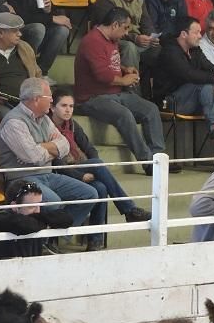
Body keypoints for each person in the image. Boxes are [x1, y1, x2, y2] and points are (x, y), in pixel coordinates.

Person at [0, 77, 102, 242]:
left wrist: (40, 146)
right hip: (21, 178)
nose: (52, 100)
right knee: (53, 202)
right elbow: (33, 157)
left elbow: (65, 145)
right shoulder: (14, 122)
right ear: (36, 99)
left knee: (90, 194)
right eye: (49, 97)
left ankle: (54, 236)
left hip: (47, 174)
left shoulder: (44, 118)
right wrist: (52, 148)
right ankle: (42, 241)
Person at [73, 7, 171, 173]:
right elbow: (101, 75)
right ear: (114, 25)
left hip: (115, 93)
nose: (126, 33)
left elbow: (109, 64)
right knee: (124, 115)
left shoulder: (111, 40)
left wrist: (125, 69)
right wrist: (124, 79)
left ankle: (159, 158)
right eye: (125, 28)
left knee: (151, 109)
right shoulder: (92, 41)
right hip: (92, 98)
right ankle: (148, 163)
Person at [49, 88, 151, 223]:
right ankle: (129, 210)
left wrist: (93, 166)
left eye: (71, 106)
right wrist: (81, 175)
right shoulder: (48, 127)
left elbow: (89, 148)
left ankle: (95, 240)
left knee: (101, 187)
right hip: (61, 171)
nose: (68, 110)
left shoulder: (72, 124)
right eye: (63, 105)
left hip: (79, 165)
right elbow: (57, 163)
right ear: (52, 108)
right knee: (98, 171)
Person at [152, 16, 214, 139]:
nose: (200, 36)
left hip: (191, 99)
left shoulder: (194, 49)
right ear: (184, 34)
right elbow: (188, 74)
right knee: (206, 85)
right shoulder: (170, 52)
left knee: (211, 84)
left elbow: (209, 66)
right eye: (196, 32)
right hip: (169, 102)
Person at [90, 0, 159, 69]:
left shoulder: (139, 0)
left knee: (160, 49)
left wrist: (152, 37)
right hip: (114, 40)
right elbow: (111, 30)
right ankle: (131, 84)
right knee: (129, 48)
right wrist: (135, 38)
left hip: (136, 40)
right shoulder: (106, 0)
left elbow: (146, 23)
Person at [0, 179, 74, 259]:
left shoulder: (36, 216)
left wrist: (40, 220)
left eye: (40, 204)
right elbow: (24, 225)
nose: (38, 210)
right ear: (14, 206)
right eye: (31, 207)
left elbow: (67, 219)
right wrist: (47, 222)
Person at [0, 12, 42, 119]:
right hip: (0, 104)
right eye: (15, 31)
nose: (20, 34)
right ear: (0, 32)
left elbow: (37, 74)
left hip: (29, 101)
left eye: (19, 30)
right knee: (14, 119)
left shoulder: (25, 48)